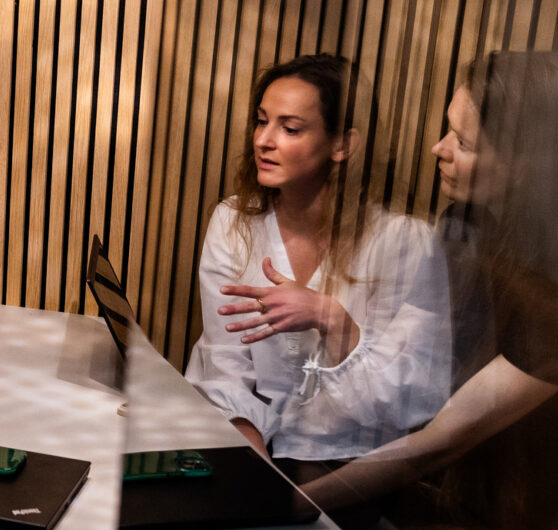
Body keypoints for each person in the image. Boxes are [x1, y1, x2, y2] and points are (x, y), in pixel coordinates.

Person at [302, 50, 558, 530]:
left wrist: (297, 500)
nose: (438, 148)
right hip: (432, 470)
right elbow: (405, 366)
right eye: (448, 130)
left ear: (527, 165)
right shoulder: (467, 221)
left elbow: (443, 441)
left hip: (502, 513)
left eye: (463, 142)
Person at [185, 53, 450, 481]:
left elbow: (408, 395)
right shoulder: (234, 223)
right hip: (248, 446)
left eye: (290, 128)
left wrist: (331, 318)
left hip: (350, 469)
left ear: (342, 145)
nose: (263, 140)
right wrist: (258, 473)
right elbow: (225, 366)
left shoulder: (403, 243)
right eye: (261, 121)